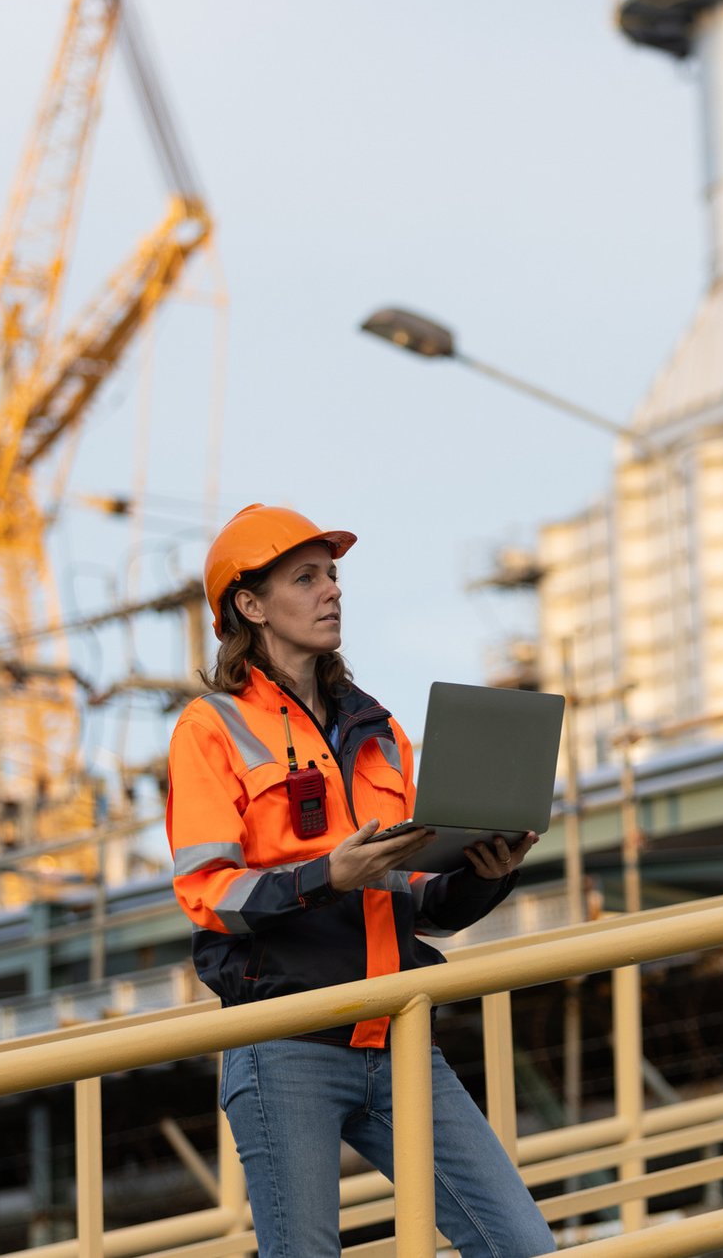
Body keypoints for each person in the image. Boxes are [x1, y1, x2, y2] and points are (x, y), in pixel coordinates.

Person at [166, 503, 555, 1258]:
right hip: (285, 1046)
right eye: (305, 577)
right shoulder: (210, 729)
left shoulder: (378, 732)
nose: (331, 590)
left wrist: (485, 874)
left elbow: (417, 900)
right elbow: (208, 893)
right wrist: (326, 875)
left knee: (523, 1245)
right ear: (249, 605)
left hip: (400, 1032)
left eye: (333, 575)